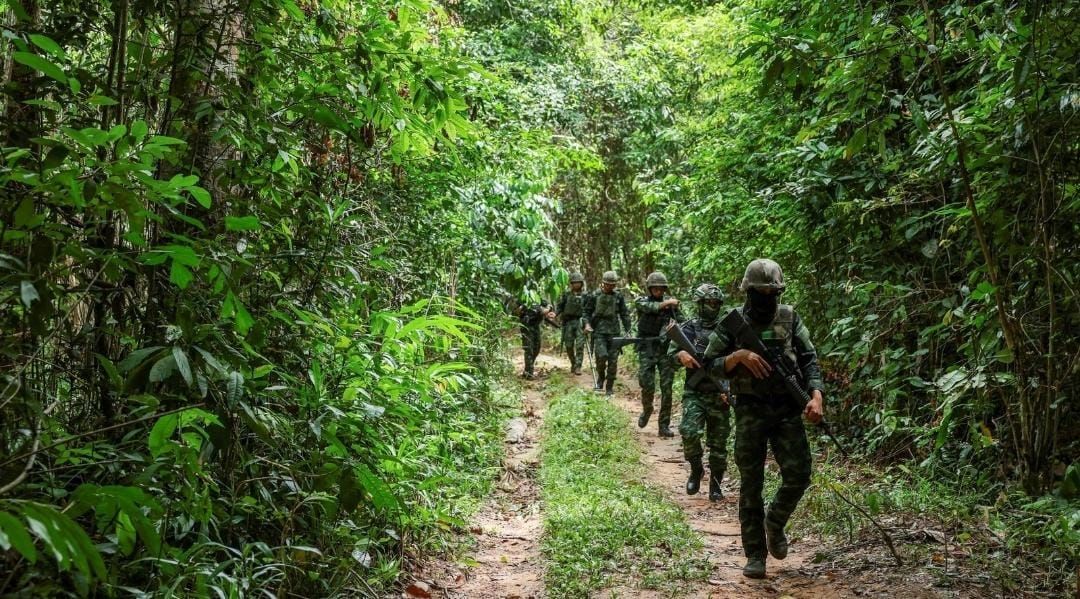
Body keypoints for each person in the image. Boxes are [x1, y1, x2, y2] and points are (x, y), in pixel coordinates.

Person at [702, 258, 825, 579]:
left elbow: (810, 359)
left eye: (773, 292)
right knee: (751, 484)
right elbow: (708, 364)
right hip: (750, 410)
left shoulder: (790, 317)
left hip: (786, 409)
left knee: (799, 475)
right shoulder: (734, 323)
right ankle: (755, 555)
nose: (767, 298)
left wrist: (816, 395)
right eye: (760, 292)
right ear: (747, 292)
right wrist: (737, 357)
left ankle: (775, 522)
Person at [671, 283, 731, 501]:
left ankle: (715, 485)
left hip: (719, 392)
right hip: (694, 391)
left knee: (718, 443)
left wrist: (730, 389)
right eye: (709, 302)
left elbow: (737, 362)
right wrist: (680, 355)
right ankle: (696, 469)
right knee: (689, 431)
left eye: (716, 303)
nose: (713, 306)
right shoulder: (688, 328)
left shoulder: (727, 329)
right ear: (700, 303)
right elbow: (671, 354)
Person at [633, 271, 683, 438]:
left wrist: (675, 312)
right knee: (647, 385)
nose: (659, 292)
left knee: (667, 389)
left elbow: (684, 323)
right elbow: (648, 307)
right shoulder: (643, 301)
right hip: (647, 348)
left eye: (661, 289)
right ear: (650, 289)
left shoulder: (671, 306)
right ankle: (647, 410)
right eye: (655, 289)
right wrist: (667, 303)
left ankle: (664, 425)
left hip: (664, 351)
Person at [583, 270, 631, 396]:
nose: (610, 287)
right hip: (599, 332)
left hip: (614, 332)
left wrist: (628, 330)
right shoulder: (594, 295)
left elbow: (624, 314)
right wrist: (587, 325)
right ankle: (600, 378)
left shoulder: (618, 296)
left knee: (613, 361)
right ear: (603, 283)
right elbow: (586, 312)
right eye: (607, 284)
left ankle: (609, 386)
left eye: (613, 285)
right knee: (601, 356)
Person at [556, 272, 588, 375]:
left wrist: (588, 323)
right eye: (574, 283)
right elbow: (560, 306)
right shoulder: (566, 295)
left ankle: (578, 366)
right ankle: (573, 363)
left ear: (581, 283)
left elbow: (589, 309)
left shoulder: (586, 295)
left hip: (580, 322)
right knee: (569, 345)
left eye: (578, 283)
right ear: (571, 284)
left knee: (580, 345)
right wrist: (555, 314)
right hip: (568, 322)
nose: (576, 285)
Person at [515, 299, 554, 380]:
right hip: (526, 325)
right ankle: (529, 373)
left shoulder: (539, 298)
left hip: (536, 326)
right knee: (529, 349)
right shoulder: (523, 297)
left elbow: (548, 306)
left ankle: (528, 369)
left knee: (537, 347)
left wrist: (547, 310)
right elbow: (517, 310)